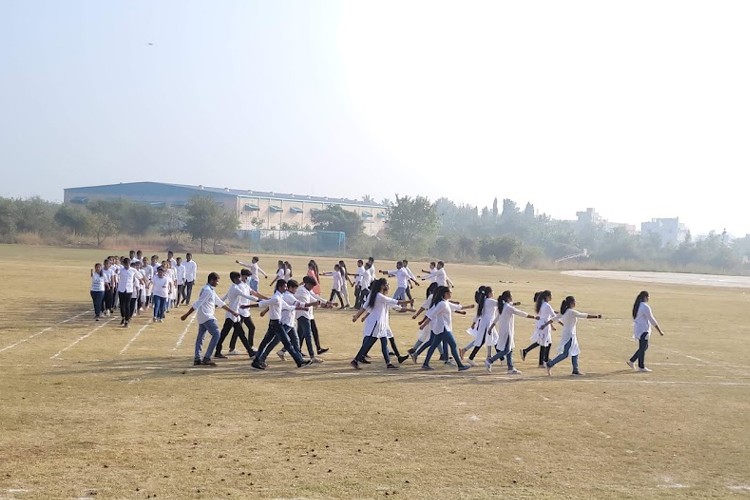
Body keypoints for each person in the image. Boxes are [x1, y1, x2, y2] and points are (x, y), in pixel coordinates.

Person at [350, 279, 413, 369]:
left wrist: (356, 316)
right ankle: (355, 360)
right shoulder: (379, 296)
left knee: (384, 342)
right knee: (368, 343)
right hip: (377, 324)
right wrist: (409, 302)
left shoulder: (375, 295)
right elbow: (395, 302)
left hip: (382, 324)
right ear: (382, 286)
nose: (388, 286)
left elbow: (364, 307)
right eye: (387, 284)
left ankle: (389, 363)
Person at [180, 272, 240, 367]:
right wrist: (186, 315)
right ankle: (207, 358)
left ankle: (197, 358)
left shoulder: (210, 290)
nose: (218, 283)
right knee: (216, 334)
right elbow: (197, 303)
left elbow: (220, 302)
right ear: (212, 280)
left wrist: (232, 312)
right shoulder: (207, 290)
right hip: (207, 316)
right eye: (217, 281)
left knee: (201, 337)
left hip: (203, 317)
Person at [251, 280, 312, 370]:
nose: (286, 288)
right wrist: (247, 306)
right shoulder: (279, 297)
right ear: (280, 287)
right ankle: (299, 361)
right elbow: (264, 303)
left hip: (283, 323)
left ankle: (299, 361)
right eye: (284, 287)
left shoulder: (280, 296)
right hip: (280, 324)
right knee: (282, 343)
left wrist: (301, 308)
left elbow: (287, 307)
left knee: (292, 342)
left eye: (286, 286)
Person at [540, 296, 602, 376]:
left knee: (575, 351)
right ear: (571, 303)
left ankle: (575, 370)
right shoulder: (571, 312)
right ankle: (550, 364)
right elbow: (583, 315)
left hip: (569, 334)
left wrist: (545, 325)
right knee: (565, 353)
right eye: (574, 302)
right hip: (570, 335)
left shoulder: (564, 312)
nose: (575, 303)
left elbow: (553, 319)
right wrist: (596, 316)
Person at [418, 286, 473, 371]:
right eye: (450, 293)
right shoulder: (442, 304)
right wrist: (424, 324)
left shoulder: (445, 302)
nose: (451, 294)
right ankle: (460, 366)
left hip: (442, 328)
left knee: (433, 346)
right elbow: (432, 314)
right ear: (445, 294)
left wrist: (468, 307)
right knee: (453, 345)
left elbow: (456, 307)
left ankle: (425, 364)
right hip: (444, 329)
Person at [485, 291, 538, 374]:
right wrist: (534, 317)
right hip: (507, 332)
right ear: (508, 298)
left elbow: (496, 318)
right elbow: (520, 313)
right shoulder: (508, 307)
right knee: (507, 350)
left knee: (510, 349)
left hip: (505, 330)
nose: (512, 298)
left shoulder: (503, 307)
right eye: (511, 297)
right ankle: (490, 360)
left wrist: (491, 327)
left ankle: (510, 367)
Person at [214, 271, 264, 359]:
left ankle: (250, 352)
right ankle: (218, 351)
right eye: (238, 278)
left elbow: (225, 297)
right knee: (224, 334)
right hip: (231, 315)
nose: (240, 279)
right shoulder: (235, 288)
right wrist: (259, 301)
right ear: (234, 279)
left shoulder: (233, 287)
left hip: (235, 315)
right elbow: (246, 296)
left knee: (241, 334)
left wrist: (217, 304)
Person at [460, 286, 499, 366]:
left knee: (490, 339)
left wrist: (473, 323)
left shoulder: (482, 301)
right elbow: (500, 304)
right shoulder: (489, 301)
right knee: (483, 340)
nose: (493, 293)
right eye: (492, 291)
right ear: (489, 293)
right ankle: (493, 358)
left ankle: (491, 357)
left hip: (486, 323)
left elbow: (477, 315)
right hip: (486, 324)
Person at [628, 291, 665, 372]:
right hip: (643, 330)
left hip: (639, 328)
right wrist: (659, 330)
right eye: (648, 297)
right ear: (645, 297)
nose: (648, 298)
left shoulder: (638, 306)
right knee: (642, 347)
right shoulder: (644, 307)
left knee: (644, 347)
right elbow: (651, 319)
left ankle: (632, 360)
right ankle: (641, 366)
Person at [521, 290, 556, 368]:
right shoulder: (545, 305)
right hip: (543, 325)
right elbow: (553, 315)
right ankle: (542, 362)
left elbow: (549, 315)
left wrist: (551, 326)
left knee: (546, 342)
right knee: (543, 343)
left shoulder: (542, 305)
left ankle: (544, 359)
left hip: (542, 324)